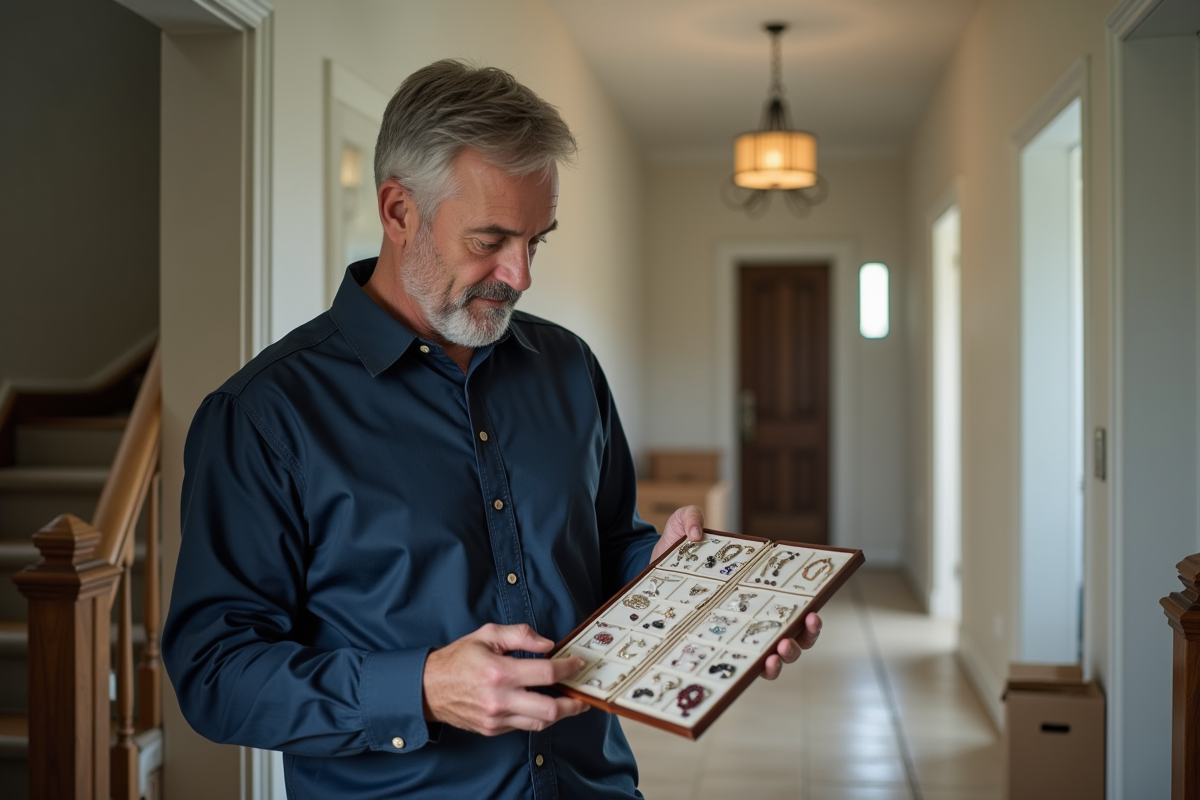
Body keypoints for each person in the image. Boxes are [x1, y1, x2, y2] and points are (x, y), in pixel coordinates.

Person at [162, 59, 821, 799]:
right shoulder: (264, 414)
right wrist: (422, 688)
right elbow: (214, 674)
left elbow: (604, 548)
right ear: (398, 211)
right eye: (490, 241)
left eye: (536, 241)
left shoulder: (568, 367)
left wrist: (688, 589)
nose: (520, 275)